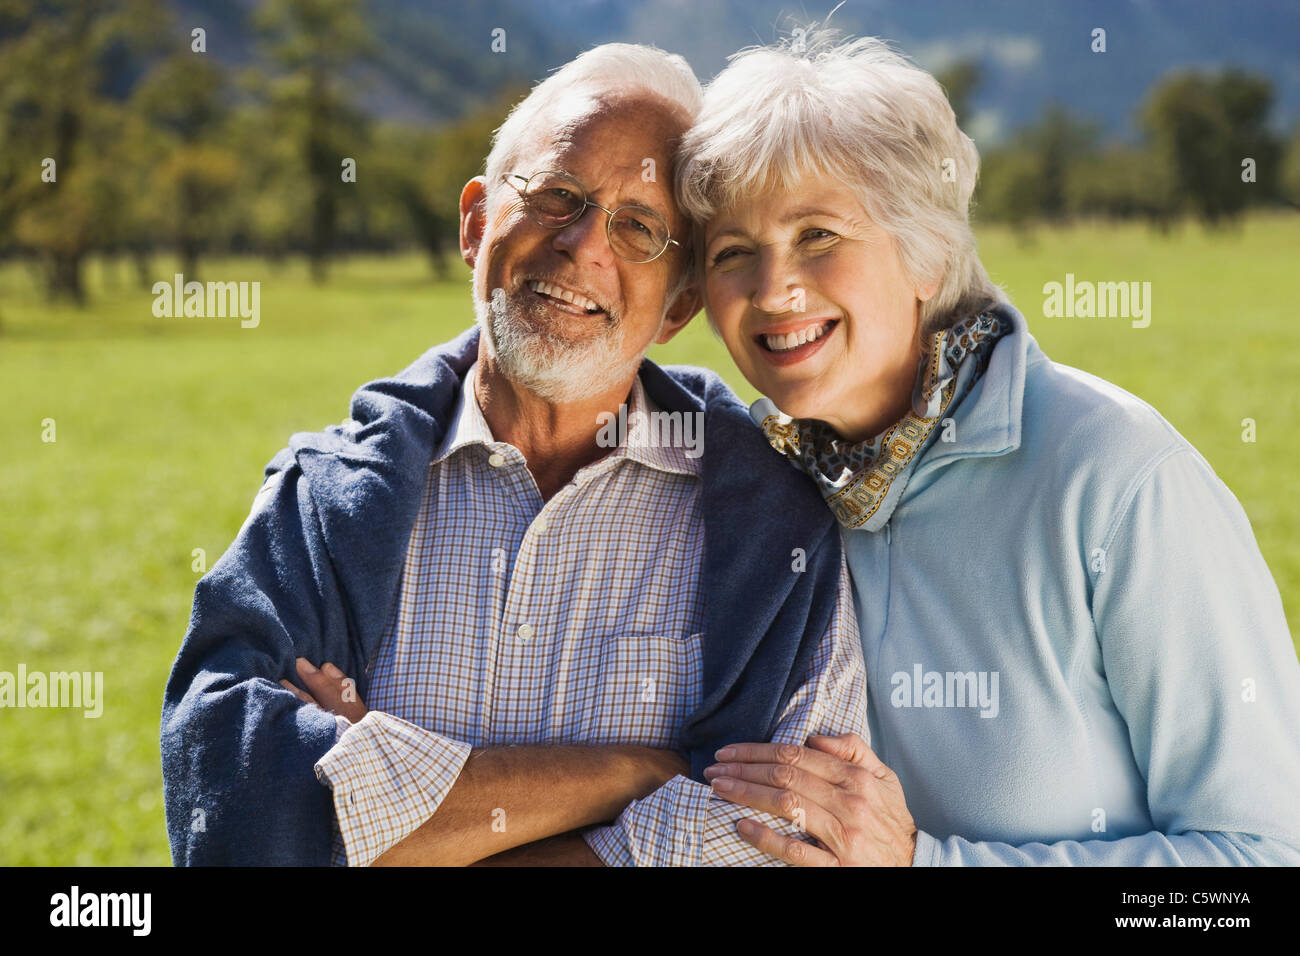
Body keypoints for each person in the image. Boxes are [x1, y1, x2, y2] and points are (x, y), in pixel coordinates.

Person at [160, 43, 868, 867]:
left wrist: (387, 813)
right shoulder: (321, 503)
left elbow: (780, 836)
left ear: (679, 303)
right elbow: (241, 801)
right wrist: (635, 775)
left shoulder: (774, 526)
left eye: (639, 227)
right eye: (557, 195)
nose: (581, 245)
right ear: (476, 221)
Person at [675, 30, 1300, 865]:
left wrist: (927, 863)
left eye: (819, 235)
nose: (773, 288)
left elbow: (1257, 862)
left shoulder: (1118, 478)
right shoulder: (750, 486)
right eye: (733, 253)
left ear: (926, 250)